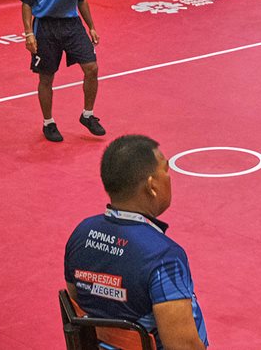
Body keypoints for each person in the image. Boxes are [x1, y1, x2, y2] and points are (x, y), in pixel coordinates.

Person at [65, 134, 208, 349]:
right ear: (151, 186)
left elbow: (78, 303)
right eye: (165, 171)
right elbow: (183, 346)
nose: (169, 178)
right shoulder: (163, 257)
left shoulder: (80, 233)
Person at [20, 0, 104, 142]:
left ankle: (88, 115)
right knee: (47, 77)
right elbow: (27, 3)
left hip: (72, 25)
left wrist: (91, 26)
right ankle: (48, 123)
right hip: (45, 27)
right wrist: (29, 33)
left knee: (92, 68)